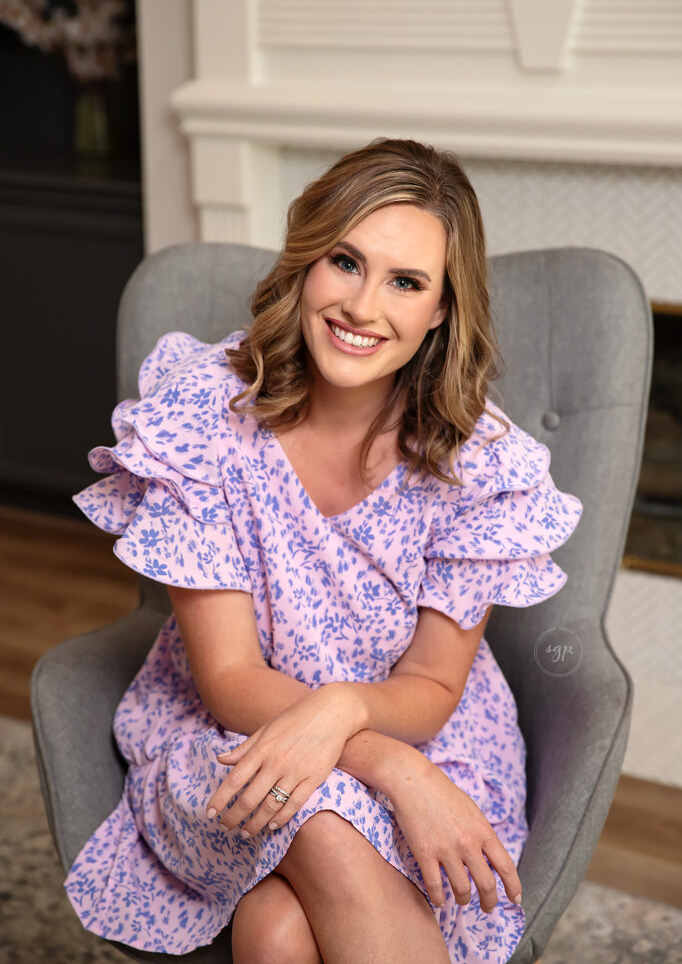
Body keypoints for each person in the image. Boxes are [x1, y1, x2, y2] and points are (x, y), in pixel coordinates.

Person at [64, 137, 583, 963]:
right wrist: (391, 771)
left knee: (277, 931)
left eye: (406, 281)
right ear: (306, 260)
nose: (363, 305)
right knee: (326, 818)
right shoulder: (204, 419)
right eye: (345, 261)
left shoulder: (478, 462)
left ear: (442, 308)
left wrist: (357, 720)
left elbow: (434, 683)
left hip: (434, 739)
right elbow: (230, 680)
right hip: (239, 732)